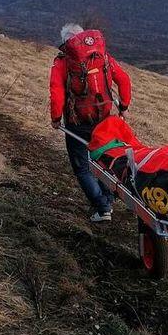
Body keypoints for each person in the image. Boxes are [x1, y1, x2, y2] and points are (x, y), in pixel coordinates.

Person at [50, 23, 132, 222]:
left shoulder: (63, 62)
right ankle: (109, 197)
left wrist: (55, 118)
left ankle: (103, 208)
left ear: (65, 41)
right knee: (103, 159)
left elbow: (56, 92)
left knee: (82, 166)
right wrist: (123, 106)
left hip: (77, 122)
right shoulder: (102, 57)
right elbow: (124, 79)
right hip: (104, 119)